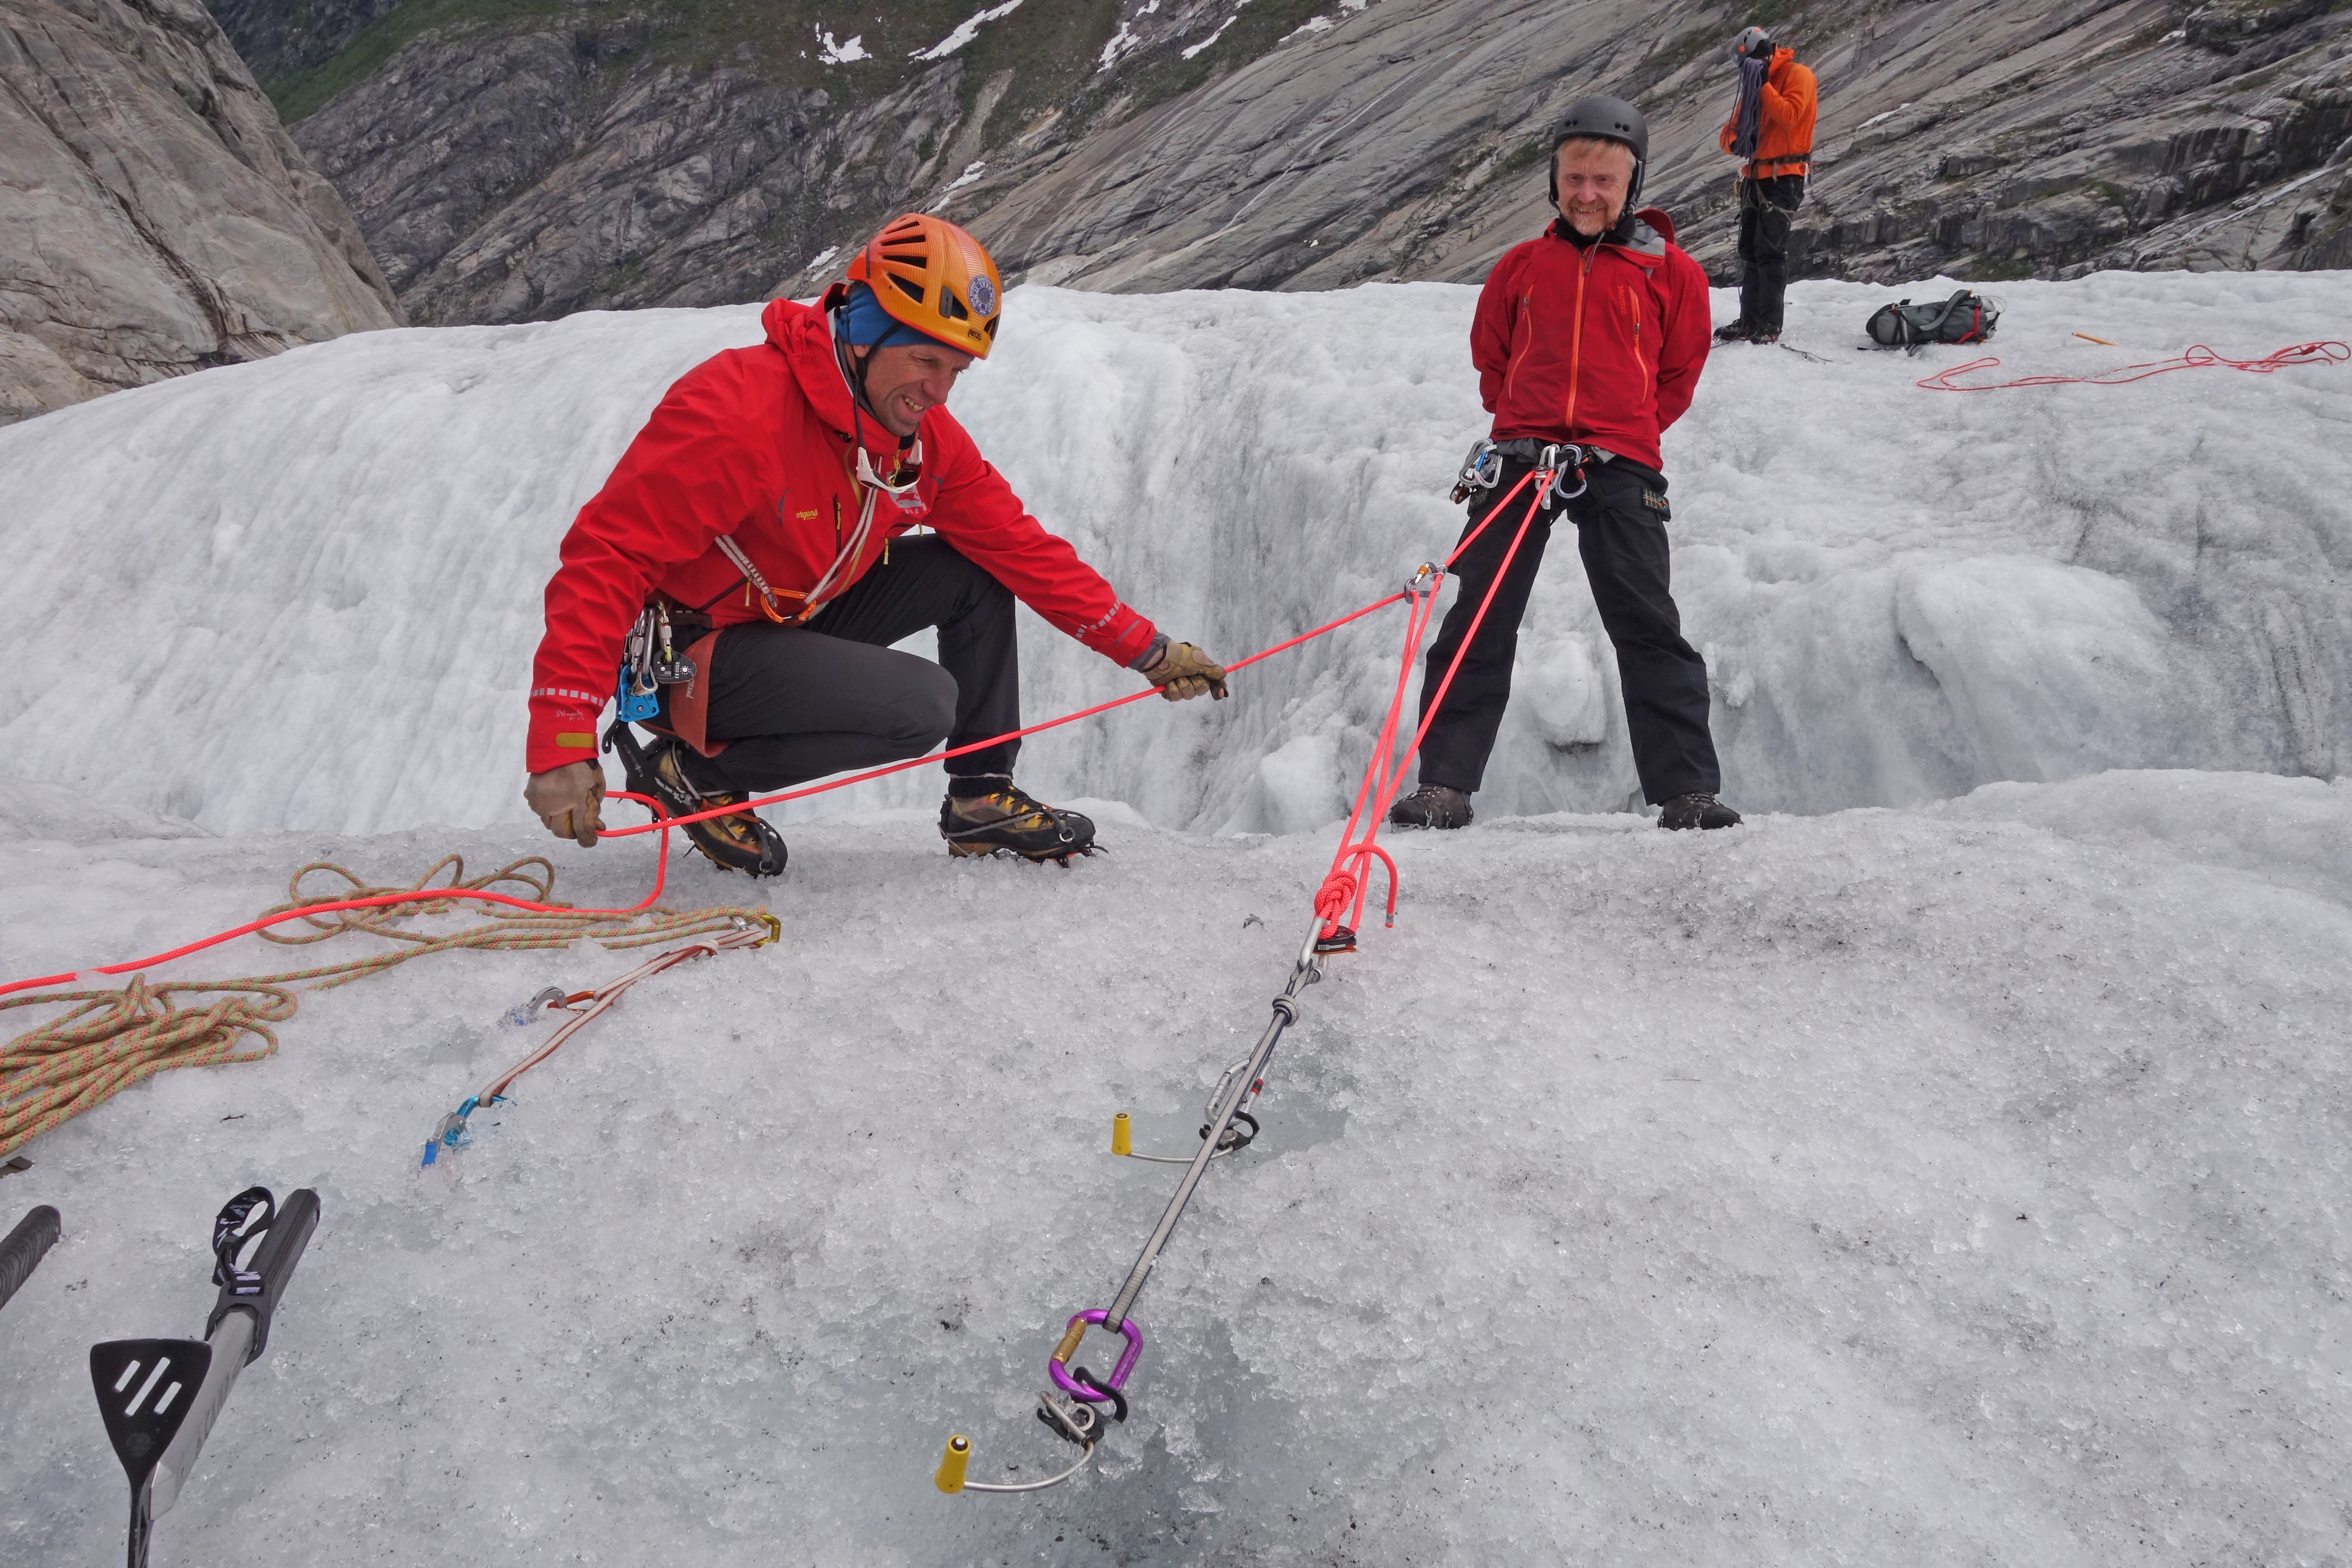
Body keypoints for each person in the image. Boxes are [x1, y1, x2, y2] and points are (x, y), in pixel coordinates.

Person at [519, 213, 1228, 874]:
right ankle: (698, 771)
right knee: (920, 705)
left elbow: (1021, 548)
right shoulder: (738, 409)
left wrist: (1150, 650)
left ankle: (979, 798)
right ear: (861, 329)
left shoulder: (917, 442)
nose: (940, 392)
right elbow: (609, 557)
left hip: (781, 617)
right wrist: (561, 734)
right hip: (690, 654)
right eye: (926, 360)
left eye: (956, 371)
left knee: (973, 568)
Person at [1388, 96, 1740, 834]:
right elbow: (1492, 360)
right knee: (1479, 616)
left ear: (1631, 184)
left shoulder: (1671, 274)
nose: (1587, 194)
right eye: (1575, 178)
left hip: (1622, 459)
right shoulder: (1519, 267)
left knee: (1646, 620)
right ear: (1554, 181)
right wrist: (1524, 417)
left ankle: (1687, 792)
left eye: (1603, 181)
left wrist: (1626, 428)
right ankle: (1444, 785)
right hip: (1520, 455)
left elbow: (1678, 371)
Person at [1714, 26, 1819, 346]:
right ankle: (1750, 321)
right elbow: (1728, 132)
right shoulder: (1756, 84)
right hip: (1756, 176)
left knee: (1770, 251)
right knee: (1751, 250)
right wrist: (1738, 143)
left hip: (1785, 176)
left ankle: (1769, 325)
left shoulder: (1797, 75)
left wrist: (1761, 87)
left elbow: (1789, 117)